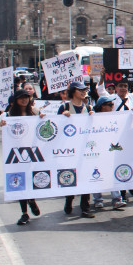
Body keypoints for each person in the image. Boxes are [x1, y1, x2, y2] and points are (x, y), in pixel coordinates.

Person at [0, 90, 43, 226]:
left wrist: (43, 117)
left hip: (33, 152)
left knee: (30, 179)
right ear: (16, 100)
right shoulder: (9, 114)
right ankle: (24, 213)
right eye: (21, 98)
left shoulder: (34, 112)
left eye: (27, 97)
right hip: (16, 154)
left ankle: (31, 199)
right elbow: (3, 126)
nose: (24, 100)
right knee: (19, 183)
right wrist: (3, 125)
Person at [57, 82, 96, 218]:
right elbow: (57, 127)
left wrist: (93, 117)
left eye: (84, 90)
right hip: (70, 149)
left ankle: (85, 206)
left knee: (86, 176)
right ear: (73, 92)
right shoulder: (64, 107)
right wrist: (63, 116)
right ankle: (69, 200)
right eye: (80, 90)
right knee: (72, 176)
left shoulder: (88, 107)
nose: (83, 92)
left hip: (85, 149)